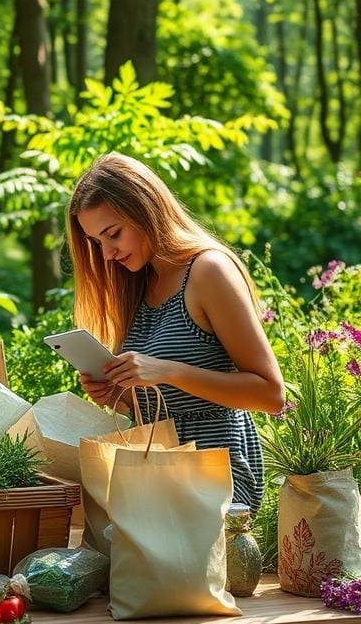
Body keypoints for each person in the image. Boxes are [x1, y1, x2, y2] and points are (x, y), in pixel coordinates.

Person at [67, 152, 285, 513]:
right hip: (155, 475)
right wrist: (116, 395)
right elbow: (168, 405)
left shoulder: (208, 271)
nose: (106, 253)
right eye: (96, 242)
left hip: (216, 480)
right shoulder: (137, 285)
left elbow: (270, 394)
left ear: (145, 210)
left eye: (113, 234)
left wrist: (165, 370)